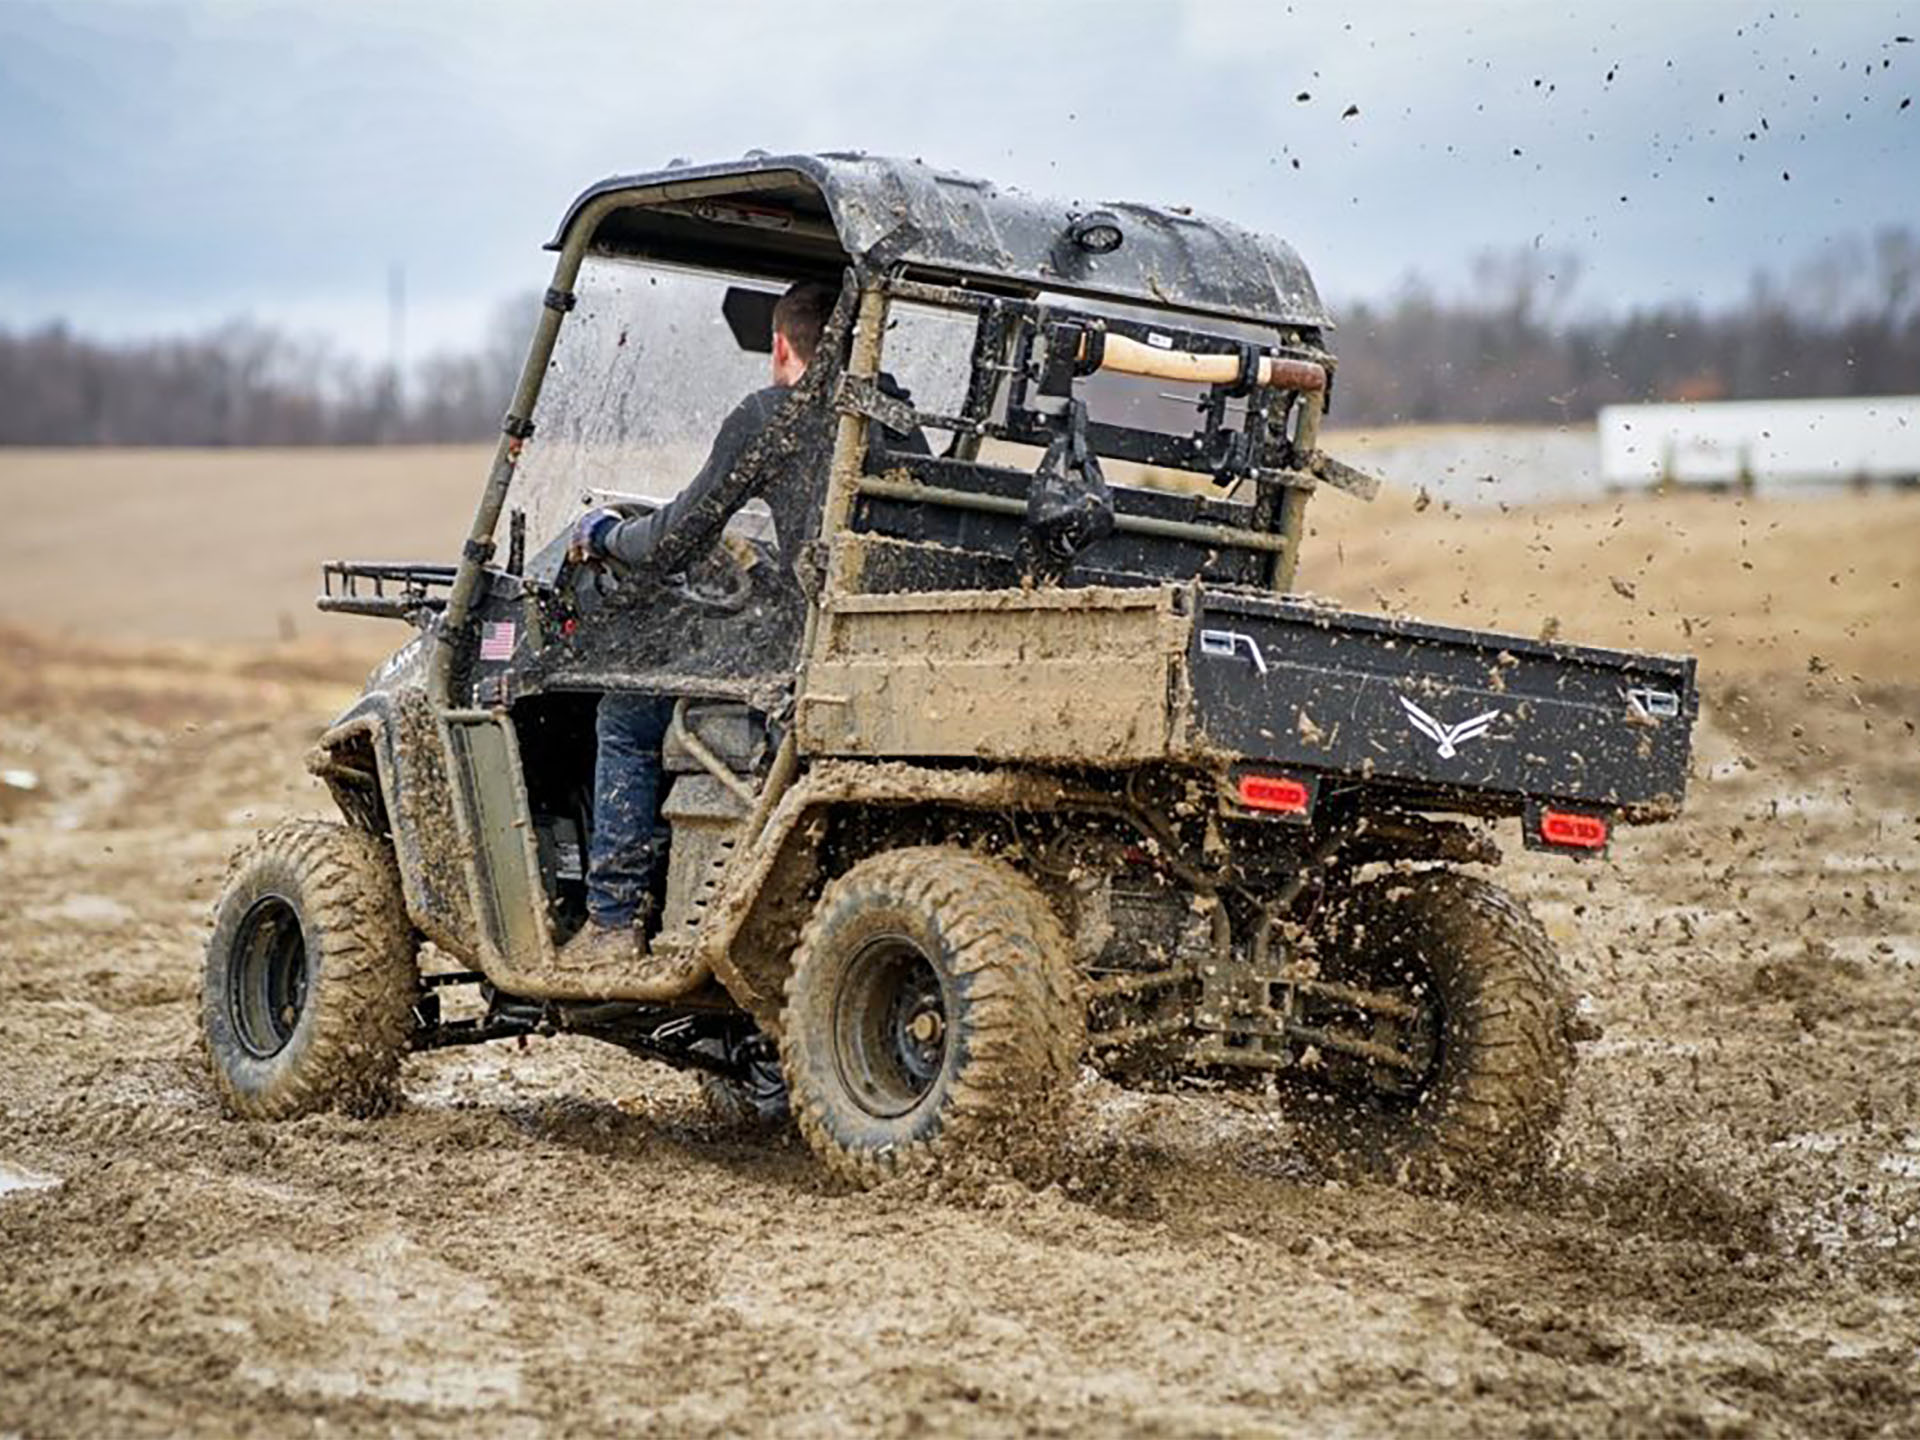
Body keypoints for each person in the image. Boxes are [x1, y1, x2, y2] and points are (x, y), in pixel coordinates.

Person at [556, 279, 924, 972]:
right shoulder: (897, 420)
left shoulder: (775, 417)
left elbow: (671, 541)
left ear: (782, 345)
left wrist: (606, 534)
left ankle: (611, 922)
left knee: (626, 713)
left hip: (804, 659)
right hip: (875, 646)